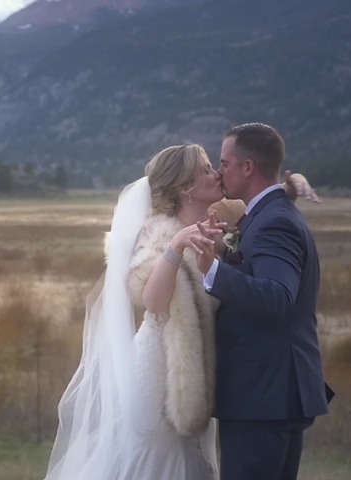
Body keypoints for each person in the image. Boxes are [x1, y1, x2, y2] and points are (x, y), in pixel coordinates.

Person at [42, 142, 320, 480]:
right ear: (185, 188)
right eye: (205, 168)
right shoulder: (159, 234)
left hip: (196, 377)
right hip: (162, 372)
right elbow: (153, 302)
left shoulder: (221, 216)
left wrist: (290, 187)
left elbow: (262, 205)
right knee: (155, 461)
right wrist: (175, 247)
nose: (216, 172)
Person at [191, 123, 334, 480]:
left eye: (225, 163)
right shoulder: (266, 214)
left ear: (248, 167)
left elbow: (278, 295)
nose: (220, 172)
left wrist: (212, 270)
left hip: (262, 396)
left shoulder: (274, 222)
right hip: (270, 395)